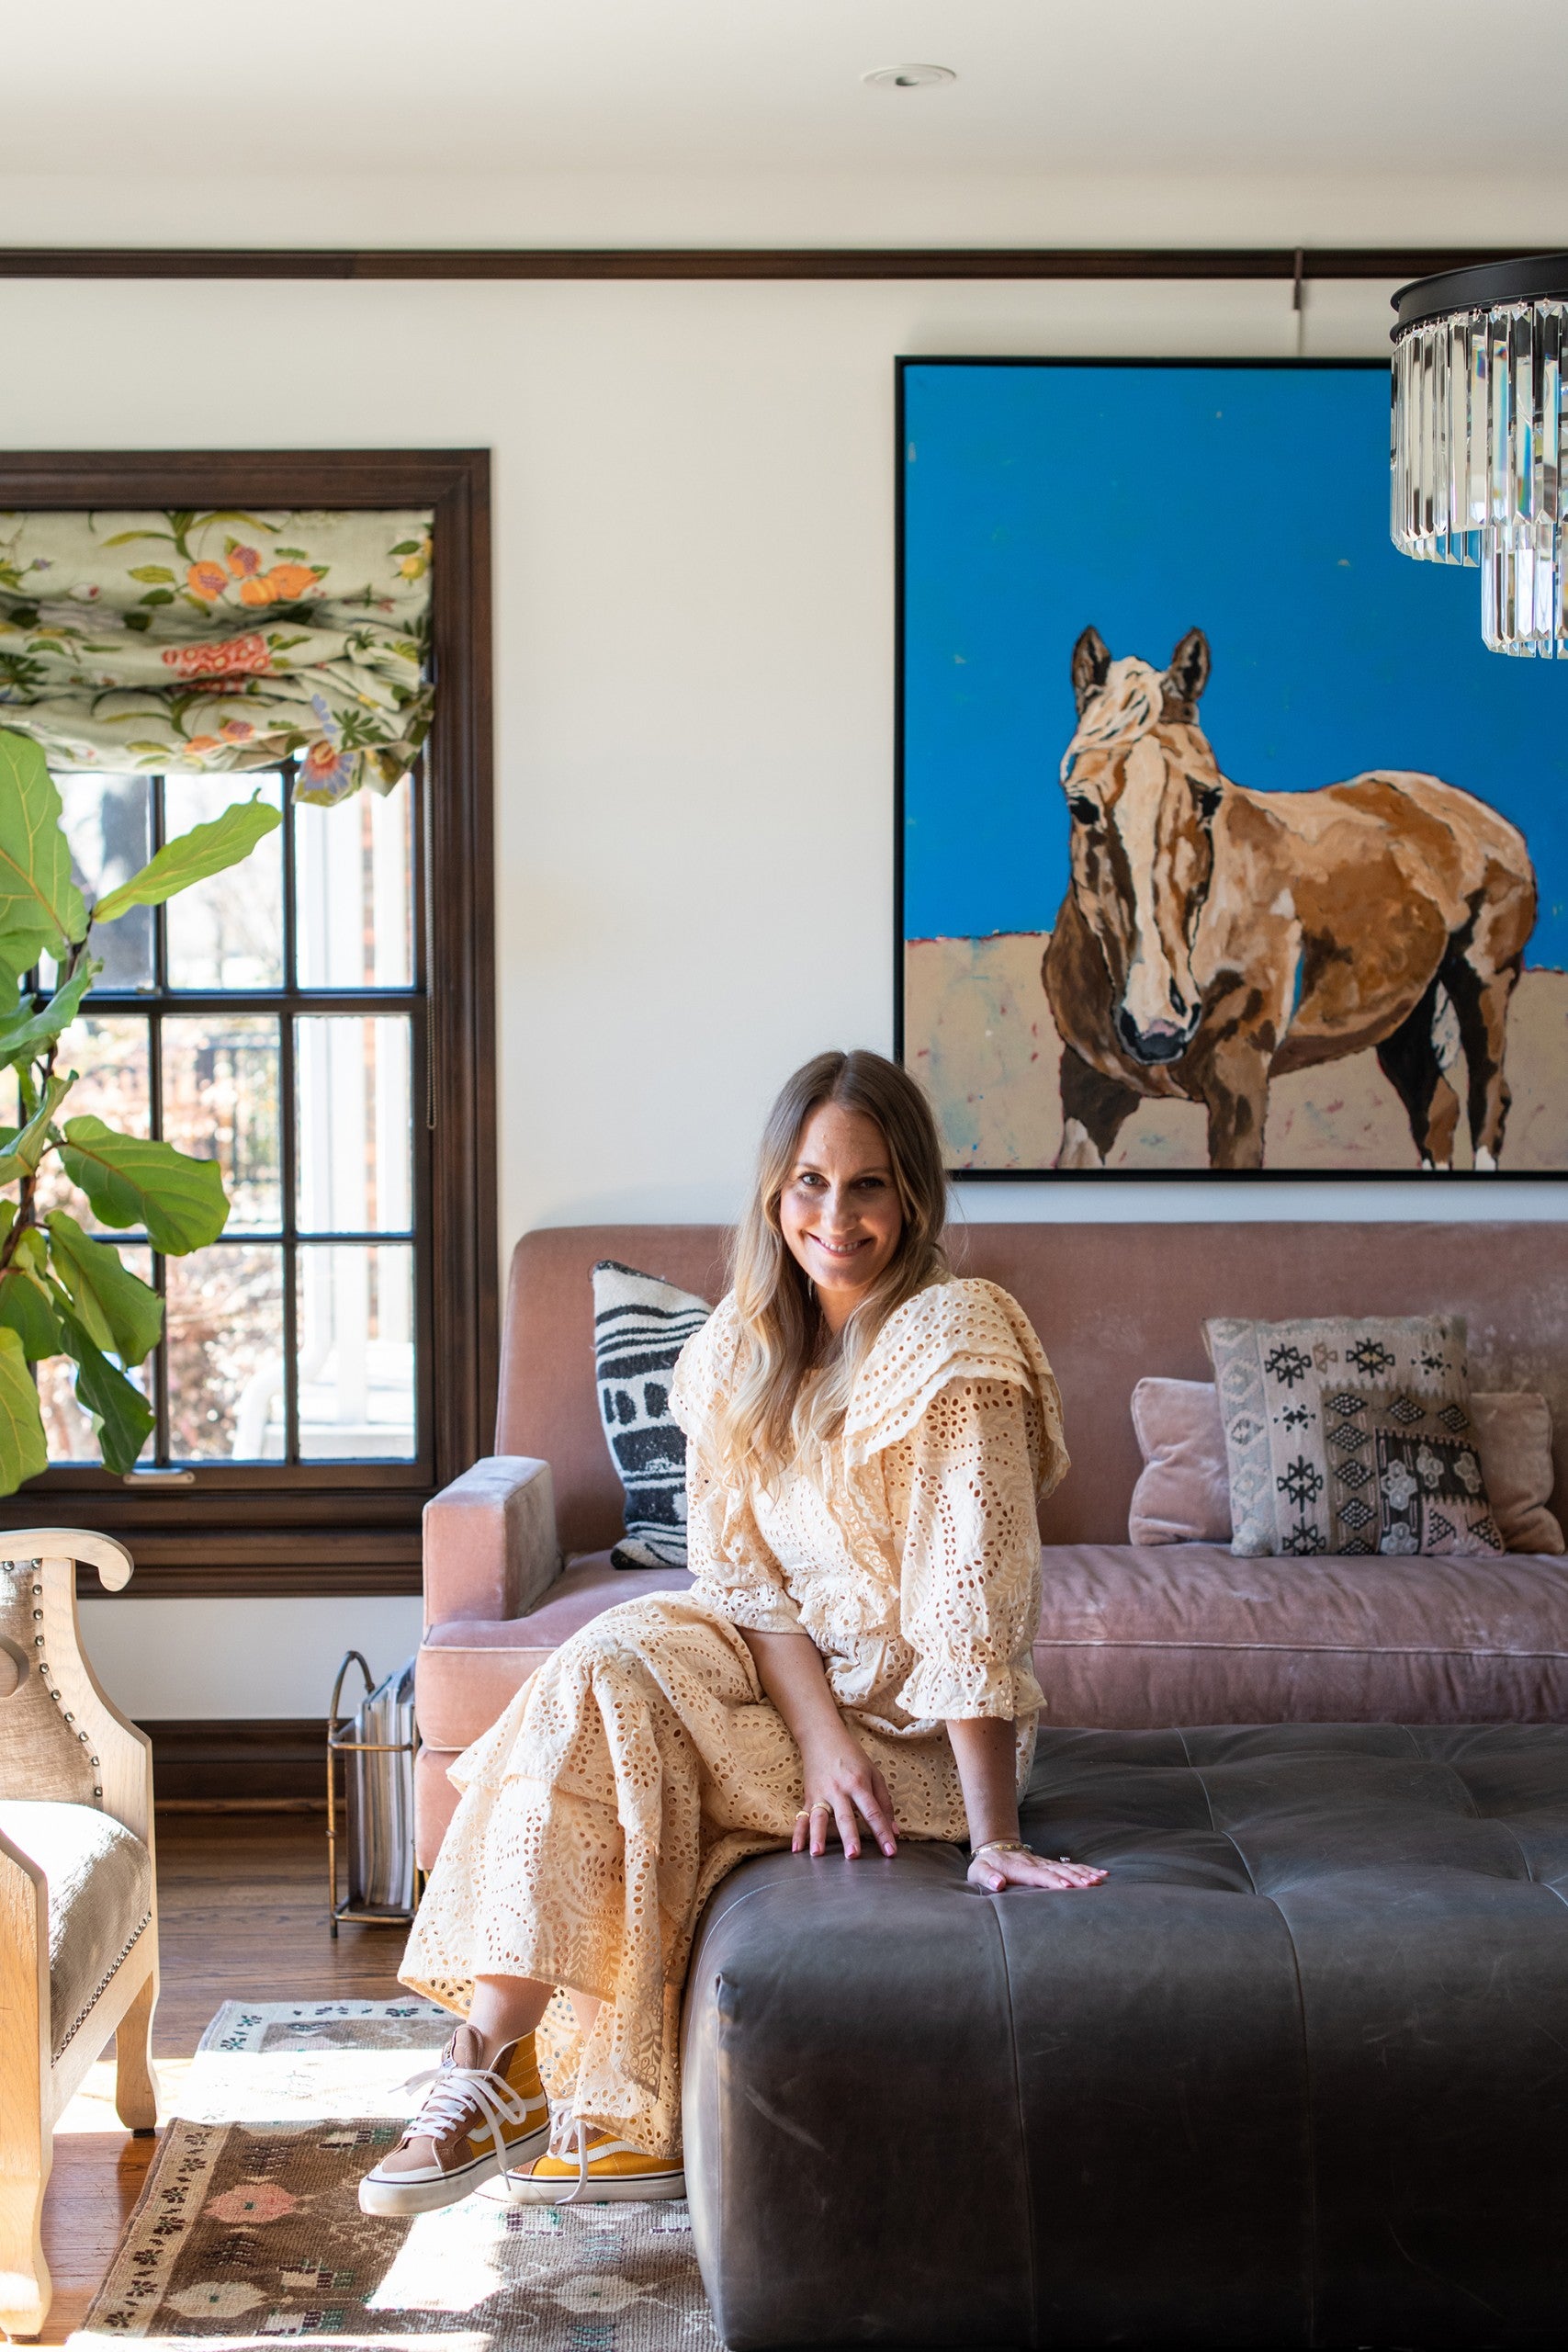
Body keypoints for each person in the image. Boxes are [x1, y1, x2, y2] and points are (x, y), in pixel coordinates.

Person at [360, 1047, 1105, 2218]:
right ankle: (494, 2062)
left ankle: (531, 2080)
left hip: (921, 1742)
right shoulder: (732, 1355)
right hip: (796, 1702)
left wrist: (992, 1830)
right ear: (774, 1191)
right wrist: (817, 1740)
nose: (838, 1215)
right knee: (611, 1656)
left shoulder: (955, 1333)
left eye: (868, 1184)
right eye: (811, 1181)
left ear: (912, 1195)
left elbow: (977, 1589)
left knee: (628, 1723)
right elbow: (747, 1586)